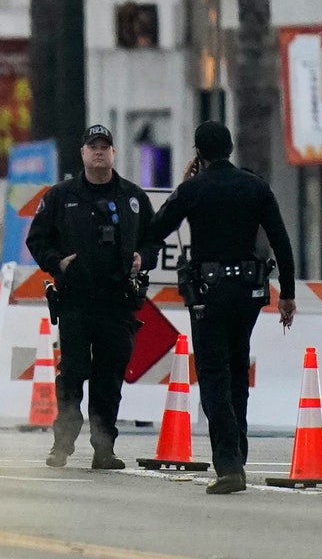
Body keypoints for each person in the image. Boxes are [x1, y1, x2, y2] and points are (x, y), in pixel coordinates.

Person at [150, 120, 296, 494]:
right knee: (236, 369)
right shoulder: (256, 187)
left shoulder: (194, 189)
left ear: (199, 152)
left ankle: (229, 464)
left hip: (209, 295)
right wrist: (288, 294)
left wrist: (184, 186)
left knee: (214, 375)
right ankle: (239, 454)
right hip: (248, 292)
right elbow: (280, 241)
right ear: (231, 147)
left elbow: (155, 230)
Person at [26, 124, 162, 470]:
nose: (99, 152)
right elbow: (37, 239)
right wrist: (58, 262)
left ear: (114, 153)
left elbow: (153, 239)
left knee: (109, 377)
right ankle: (62, 446)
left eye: (105, 146)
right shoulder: (61, 196)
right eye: (93, 146)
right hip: (75, 299)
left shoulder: (131, 198)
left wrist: (142, 258)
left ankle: (104, 448)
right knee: (72, 373)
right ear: (83, 153)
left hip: (117, 301)